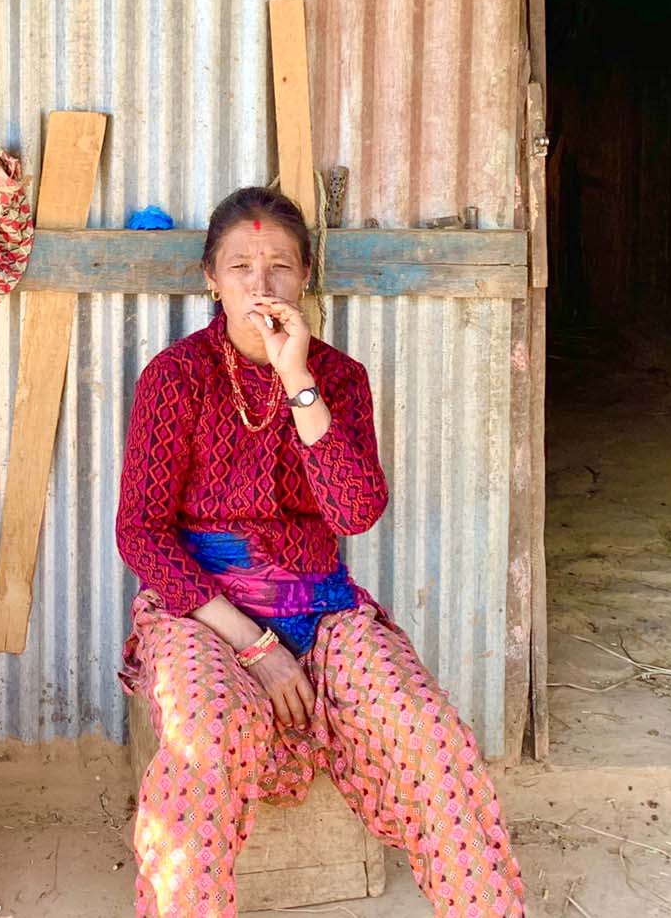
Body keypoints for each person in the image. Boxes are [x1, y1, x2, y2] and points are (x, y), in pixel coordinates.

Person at [115, 187, 526, 917]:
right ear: (211, 278)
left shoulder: (338, 378)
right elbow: (140, 532)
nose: (261, 284)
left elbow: (354, 511)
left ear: (305, 277)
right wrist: (255, 647)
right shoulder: (175, 378)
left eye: (279, 265)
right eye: (240, 266)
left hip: (322, 602)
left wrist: (297, 378)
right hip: (206, 614)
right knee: (202, 741)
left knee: (432, 739)